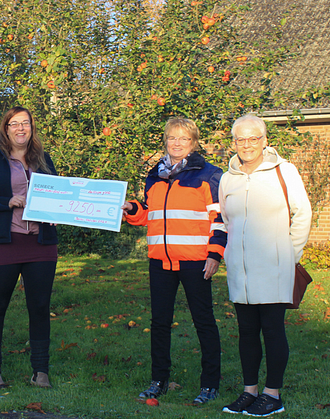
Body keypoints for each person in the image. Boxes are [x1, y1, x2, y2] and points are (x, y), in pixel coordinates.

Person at [121, 118, 225, 404]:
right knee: (159, 323)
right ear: (165, 141)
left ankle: (209, 384)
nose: (176, 143)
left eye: (183, 139)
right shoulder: (155, 175)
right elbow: (149, 214)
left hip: (196, 262)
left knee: (204, 322)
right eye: (171, 138)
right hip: (160, 262)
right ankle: (159, 380)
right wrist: (133, 209)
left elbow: (220, 220)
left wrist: (215, 254)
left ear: (194, 142)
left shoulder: (209, 175)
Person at [219, 114, 311, 416]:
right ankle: (250, 392)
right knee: (246, 331)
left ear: (265, 140)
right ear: (234, 142)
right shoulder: (227, 177)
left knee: (272, 330)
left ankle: (273, 395)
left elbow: (303, 214)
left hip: (275, 267)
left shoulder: (284, 171)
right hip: (240, 270)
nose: (247, 145)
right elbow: (227, 220)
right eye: (240, 139)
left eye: (253, 138)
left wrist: (289, 254)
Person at [0, 106, 58, 389]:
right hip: (2, 243)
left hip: (40, 244)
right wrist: (6, 202)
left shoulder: (43, 159)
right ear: (5, 129)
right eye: (14, 124)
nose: (21, 128)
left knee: (40, 306)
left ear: (32, 127)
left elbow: (59, 193)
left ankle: (40, 371)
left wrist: (58, 213)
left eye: (26, 123)